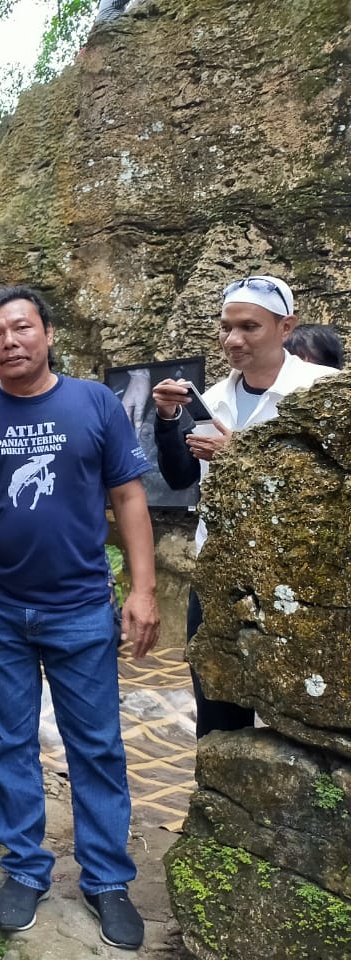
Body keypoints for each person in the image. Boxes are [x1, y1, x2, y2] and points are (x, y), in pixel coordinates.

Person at [0, 286, 159, 951]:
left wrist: (142, 590)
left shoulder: (94, 402)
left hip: (82, 604)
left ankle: (107, 878)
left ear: (48, 334)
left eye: (22, 328)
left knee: (97, 746)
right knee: (7, 744)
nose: (10, 342)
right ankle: (25, 867)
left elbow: (129, 496)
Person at [151, 276, 339, 737]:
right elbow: (180, 478)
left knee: (305, 721)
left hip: (301, 582)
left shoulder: (327, 392)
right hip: (219, 577)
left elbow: (335, 483)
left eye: (249, 327)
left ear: (285, 327)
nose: (233, 340)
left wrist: (240, 455)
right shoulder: (214, 399)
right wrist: (167, 420)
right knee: (217, 710)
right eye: (226, 327)